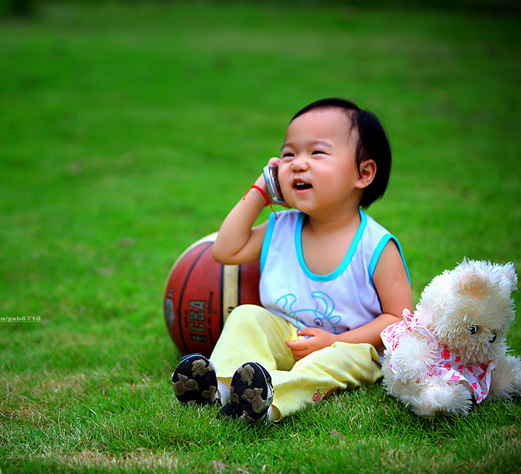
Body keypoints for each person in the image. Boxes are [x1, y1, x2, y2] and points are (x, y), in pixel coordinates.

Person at [171, 98, 413, 425]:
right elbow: (225, 250)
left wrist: (335, 341)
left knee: (330, 364)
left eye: (317, 153)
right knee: (247, 317)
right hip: (290, 334)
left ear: (363, 173)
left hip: (352, 347)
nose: (298, 163)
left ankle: (268, 397)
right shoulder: (282, 227)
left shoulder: (376, 246)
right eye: (288, 154)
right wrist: (260, 191)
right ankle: (220, 387)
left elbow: (398, 318)